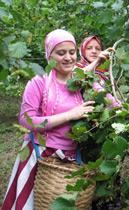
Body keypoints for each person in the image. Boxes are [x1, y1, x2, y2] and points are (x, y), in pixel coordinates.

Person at [1, 29, 95, 210]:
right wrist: (70, 115)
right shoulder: (38, 83)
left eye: (72, 52)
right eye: (61, 53)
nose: (68, 57)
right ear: (49, 55)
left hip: (71, 159)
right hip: (39, 156)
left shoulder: (81, 80)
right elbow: (27, 121)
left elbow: (106, 98)